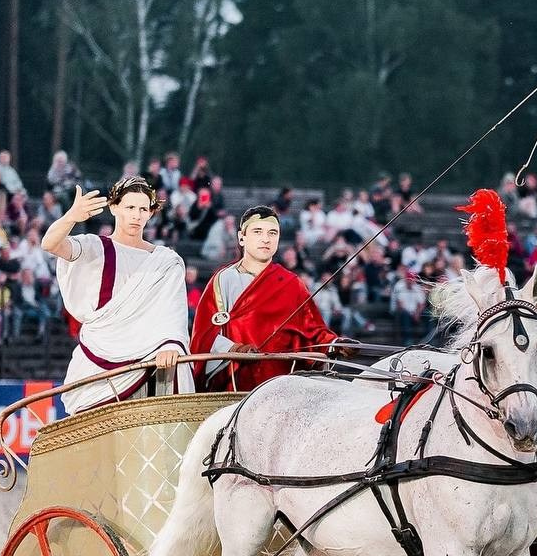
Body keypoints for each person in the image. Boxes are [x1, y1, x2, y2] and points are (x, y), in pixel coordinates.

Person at [41, 177, 193, 413]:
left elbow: (173, 312)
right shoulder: (95, 247)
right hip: (97, 356)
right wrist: (71, 217)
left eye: (143, 209)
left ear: (151, 213)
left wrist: (171, 343)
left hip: (149, 359)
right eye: (130, 207)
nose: (136, 215)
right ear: (114, 207)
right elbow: (50, 244)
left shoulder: (166, 261)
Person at [190, 205, 343, 392]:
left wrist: (336, 344)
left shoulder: (292, 283)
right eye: (257, 232)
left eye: (273, 233)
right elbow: (205, 334)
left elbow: (313, 331)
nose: (266, 239)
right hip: (234, 383)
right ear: (241, 237)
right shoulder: (223, 279)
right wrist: (236, 349)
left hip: (281, 388)